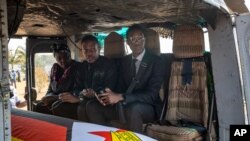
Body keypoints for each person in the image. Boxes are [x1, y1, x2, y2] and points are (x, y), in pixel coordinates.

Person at [86, 25, 165, 133]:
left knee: (133, 109)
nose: (137, 42)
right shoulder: (124, 61)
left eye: (140, 38)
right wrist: (108, 94)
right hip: (124, 105)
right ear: (128, 42)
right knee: (92, 106)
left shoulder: (156, 61)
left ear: (144, 39)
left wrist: (122, 97)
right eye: (133, 39)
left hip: (148, 107)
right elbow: (119, 86)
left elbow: (151, 95)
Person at [76, 35, 118, 122]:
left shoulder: (109, 65)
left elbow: (110, 89)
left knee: (88, 106)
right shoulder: (81, 67)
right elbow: (76, 88)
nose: (89, 54)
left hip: (108, 104)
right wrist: (82, 93)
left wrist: (95, 93)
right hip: (87, 100)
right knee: (78, 107)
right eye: (86, 50)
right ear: (82, 51)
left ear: (99, 48)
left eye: (92, 49)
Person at [34, 43, 79, 119]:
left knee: (57, 107)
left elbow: (78, 91)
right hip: (56, 99)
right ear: (55, 58)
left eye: (66, 57)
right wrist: (47, 97)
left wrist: (56, 97)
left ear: (70, 56)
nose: (63, 60)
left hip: (71, 102)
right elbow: (50, 89)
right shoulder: (55, 70)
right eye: (59, 58)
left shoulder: (77, 68)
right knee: (39, 106)